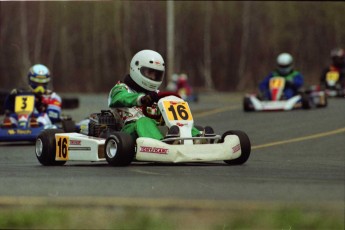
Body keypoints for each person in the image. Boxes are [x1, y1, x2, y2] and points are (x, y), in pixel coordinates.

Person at [108, 49, 211, 143]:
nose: (153, 77)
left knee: (178, 123)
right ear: (137, 69)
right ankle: (162, 144)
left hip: (153, 128)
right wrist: (141, 99)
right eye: (150, 73)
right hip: (128, 131)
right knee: (143, 121)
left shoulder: (155, 93)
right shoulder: (121, 88)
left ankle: (197, 138)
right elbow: (121, 98)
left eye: (156, 75)